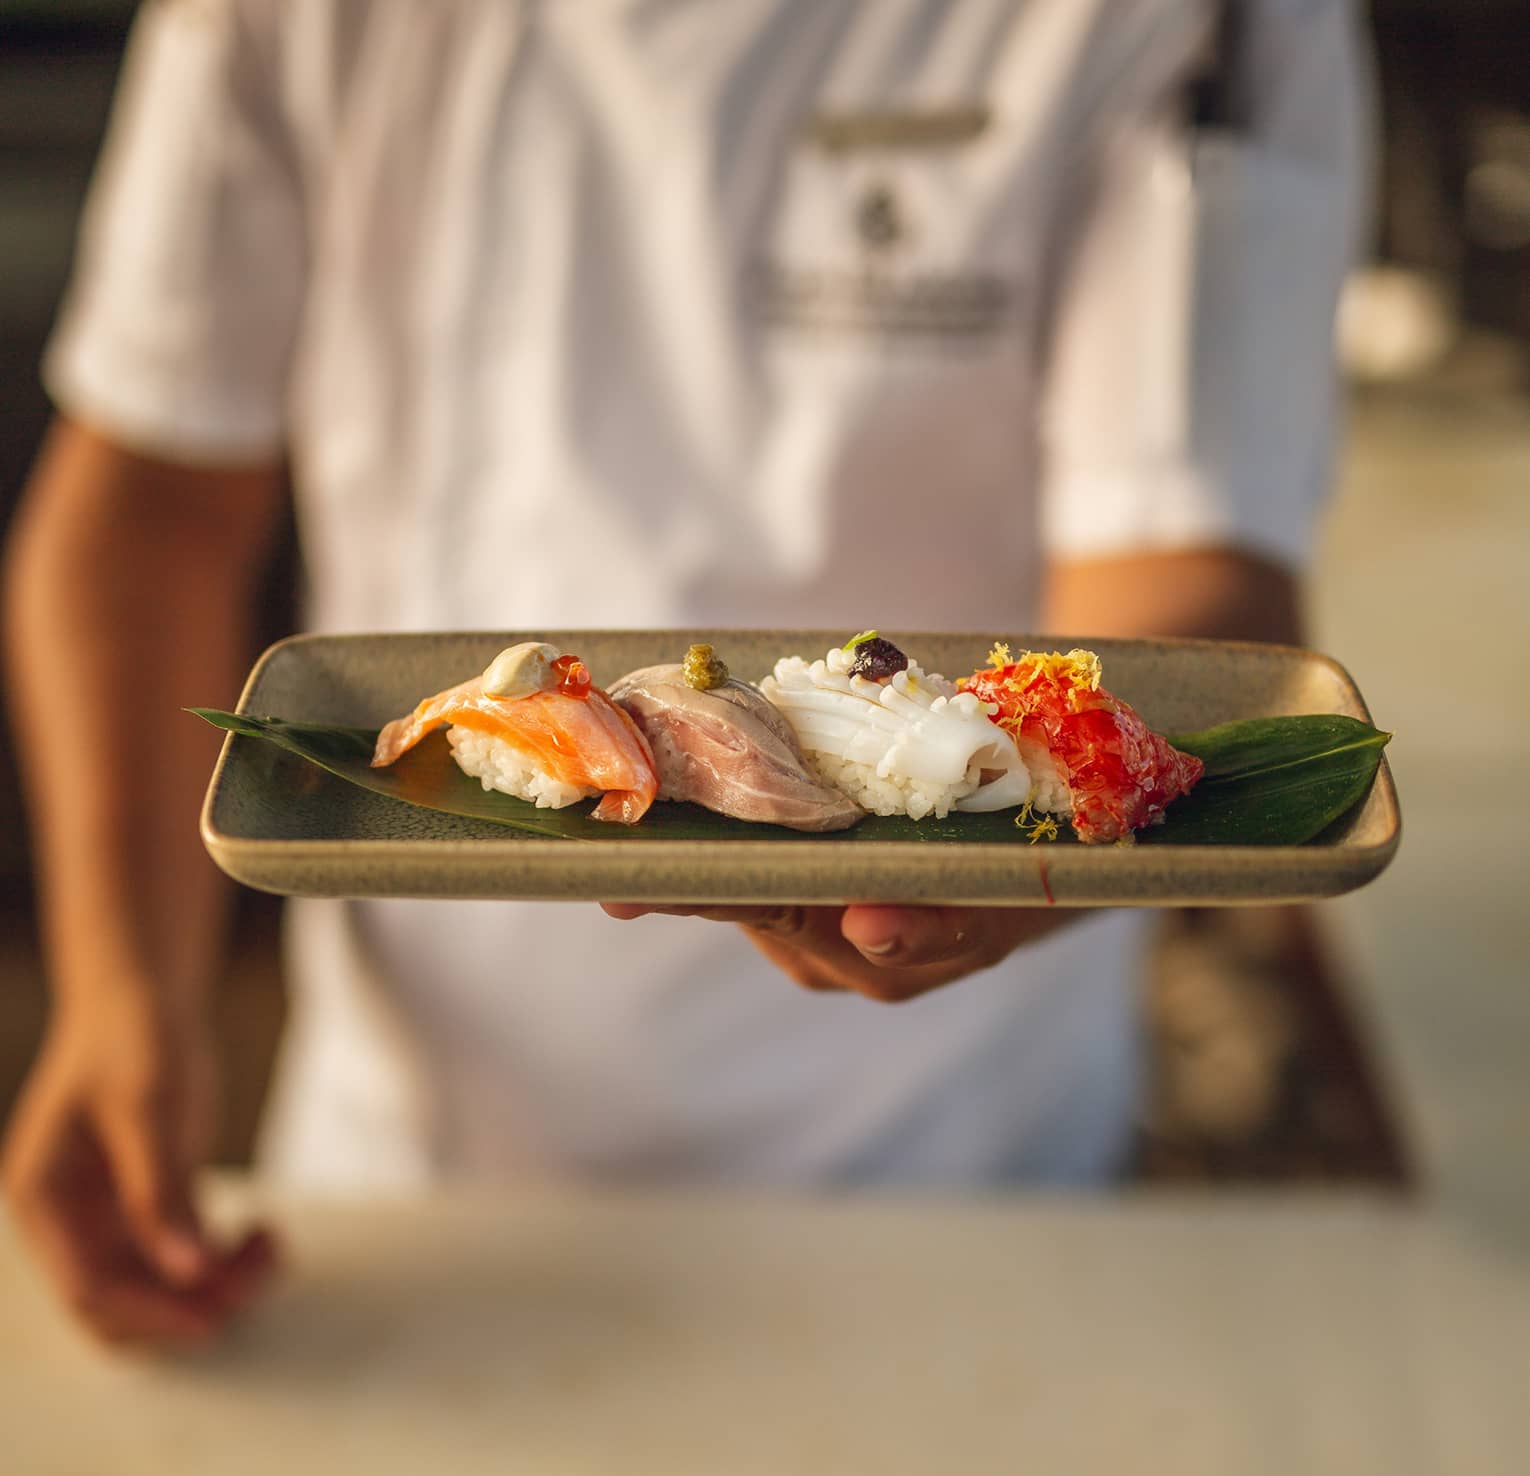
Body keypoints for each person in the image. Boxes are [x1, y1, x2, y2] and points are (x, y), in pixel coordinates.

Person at [1, 0, 1365, 1347]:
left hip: (959, 1174)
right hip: (415, 1178)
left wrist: (1026, 828)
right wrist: (121, 989)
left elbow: (1187, 580)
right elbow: (150, 503)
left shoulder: (1214, 20)